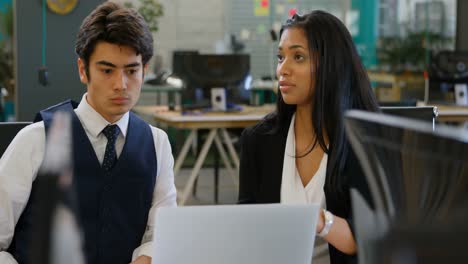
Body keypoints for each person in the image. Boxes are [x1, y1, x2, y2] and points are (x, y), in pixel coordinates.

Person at [0, 2, 176, 264]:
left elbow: (161, 235)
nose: (121, 84)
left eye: (131, 70)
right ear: (83, 70)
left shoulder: (156, 143)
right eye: (107, 70)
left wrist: (148, 257)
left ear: (145, 70)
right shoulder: (35, 140)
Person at [238, 11, 378, 264]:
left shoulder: (365, 142)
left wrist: (319, 220)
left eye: (298, 57)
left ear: (330, 64)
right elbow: (246, 229)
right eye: (281, 57)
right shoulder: (257, 140)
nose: (283, 69)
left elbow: (369, 238)